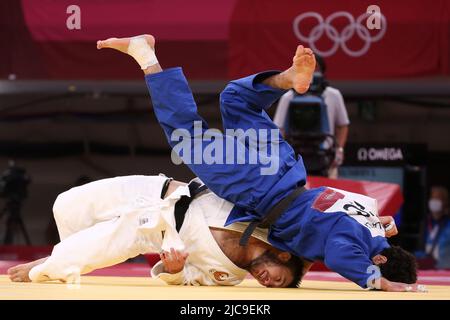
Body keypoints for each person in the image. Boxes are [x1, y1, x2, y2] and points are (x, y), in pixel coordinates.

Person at [93, 34, 426, 292]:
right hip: (261, 188)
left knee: (236, 100)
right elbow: (342, 255)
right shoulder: (354, 246)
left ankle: (287, 79)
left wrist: (381, 225)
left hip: (285, 168)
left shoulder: (369, 220)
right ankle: (145, 54)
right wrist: (378, 282)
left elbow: (355, 226)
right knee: (187, 137)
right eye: (375, 267)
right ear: (379, 260)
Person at [8, 175, 304, 288]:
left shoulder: (231, 277)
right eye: (279, 278)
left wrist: (174, 270)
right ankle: (62, 257)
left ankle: (51, 266)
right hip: (153, 190)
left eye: (273, 287)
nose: (269, 283)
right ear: (282, 255)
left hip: (150, 231)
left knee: (88, 251)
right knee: (66, 204)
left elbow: (188, 280)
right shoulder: (263, 219)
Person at [273, 53, 349, 179]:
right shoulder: (288, 97)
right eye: (306, 66)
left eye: (315, 67)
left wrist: (339, 149)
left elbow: (342, 125)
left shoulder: (333, 95)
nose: (311, 70)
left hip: (326, 156)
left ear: (322, 71)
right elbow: (279, 129)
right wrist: (282, 155)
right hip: (295, 157)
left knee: (328, 196)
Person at [418, 186, 450, 269]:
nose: (434, 201)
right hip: (428, 269)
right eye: (433, 198)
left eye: (438, 198)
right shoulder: (425, 223)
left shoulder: (448, 224)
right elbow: (421, 248)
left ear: (445, 202)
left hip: (445, 270)